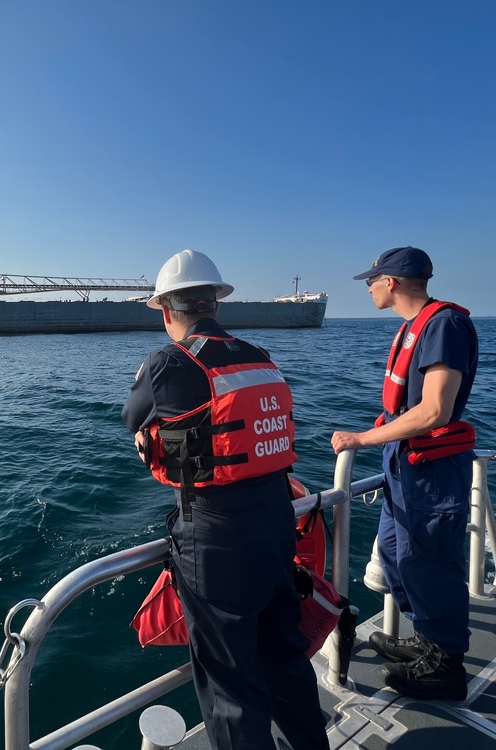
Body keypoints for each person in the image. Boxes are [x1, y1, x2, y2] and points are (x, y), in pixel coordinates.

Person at [123, 249, 329, 750]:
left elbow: (135, 419)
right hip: (277, 524)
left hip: (214, 536)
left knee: (230, 687)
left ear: (168, 310)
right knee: (284, 657)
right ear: (215, 302)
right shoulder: (260, 356)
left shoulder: (167, 361)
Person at [331, 246, 478, 701]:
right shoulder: (417, 327)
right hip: (404, 469)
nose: (369, 289)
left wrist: (358, 439)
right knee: (399, 555)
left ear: (391, 282)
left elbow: (435, 409)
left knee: (430, 560)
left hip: (431, 473)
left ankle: (447, 665)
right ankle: (428, 640)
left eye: (371, 282)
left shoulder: (444, 325)